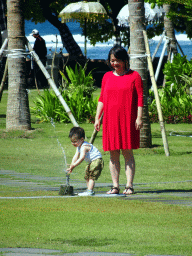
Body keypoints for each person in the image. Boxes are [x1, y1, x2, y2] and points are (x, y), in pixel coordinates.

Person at [94, 45, 143, 195]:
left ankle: (129, 185)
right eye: (112, 60)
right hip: (110, 120)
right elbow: (102, 98)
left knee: (127, 152)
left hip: (128, 119)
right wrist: (97, 118)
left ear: (125, 60)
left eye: (118, 60)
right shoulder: (107, 76)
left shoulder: (135, 76)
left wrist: (139, 117)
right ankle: (115, 186)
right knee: (113, 153)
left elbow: (140, 99)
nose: (115, 63)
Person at [67, 127, 104, 196]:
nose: (73, 143)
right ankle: (89, 190)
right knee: (87, 176)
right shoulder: (79, 146)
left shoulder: (84, 146)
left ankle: (90, 191)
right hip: (92, 162)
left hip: (97, 160)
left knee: (91, 176)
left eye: (75, 141)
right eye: (72, 141)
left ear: (82, 139)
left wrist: (74, 165)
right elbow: (76, 156)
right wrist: (72, 165)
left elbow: (81, 158)